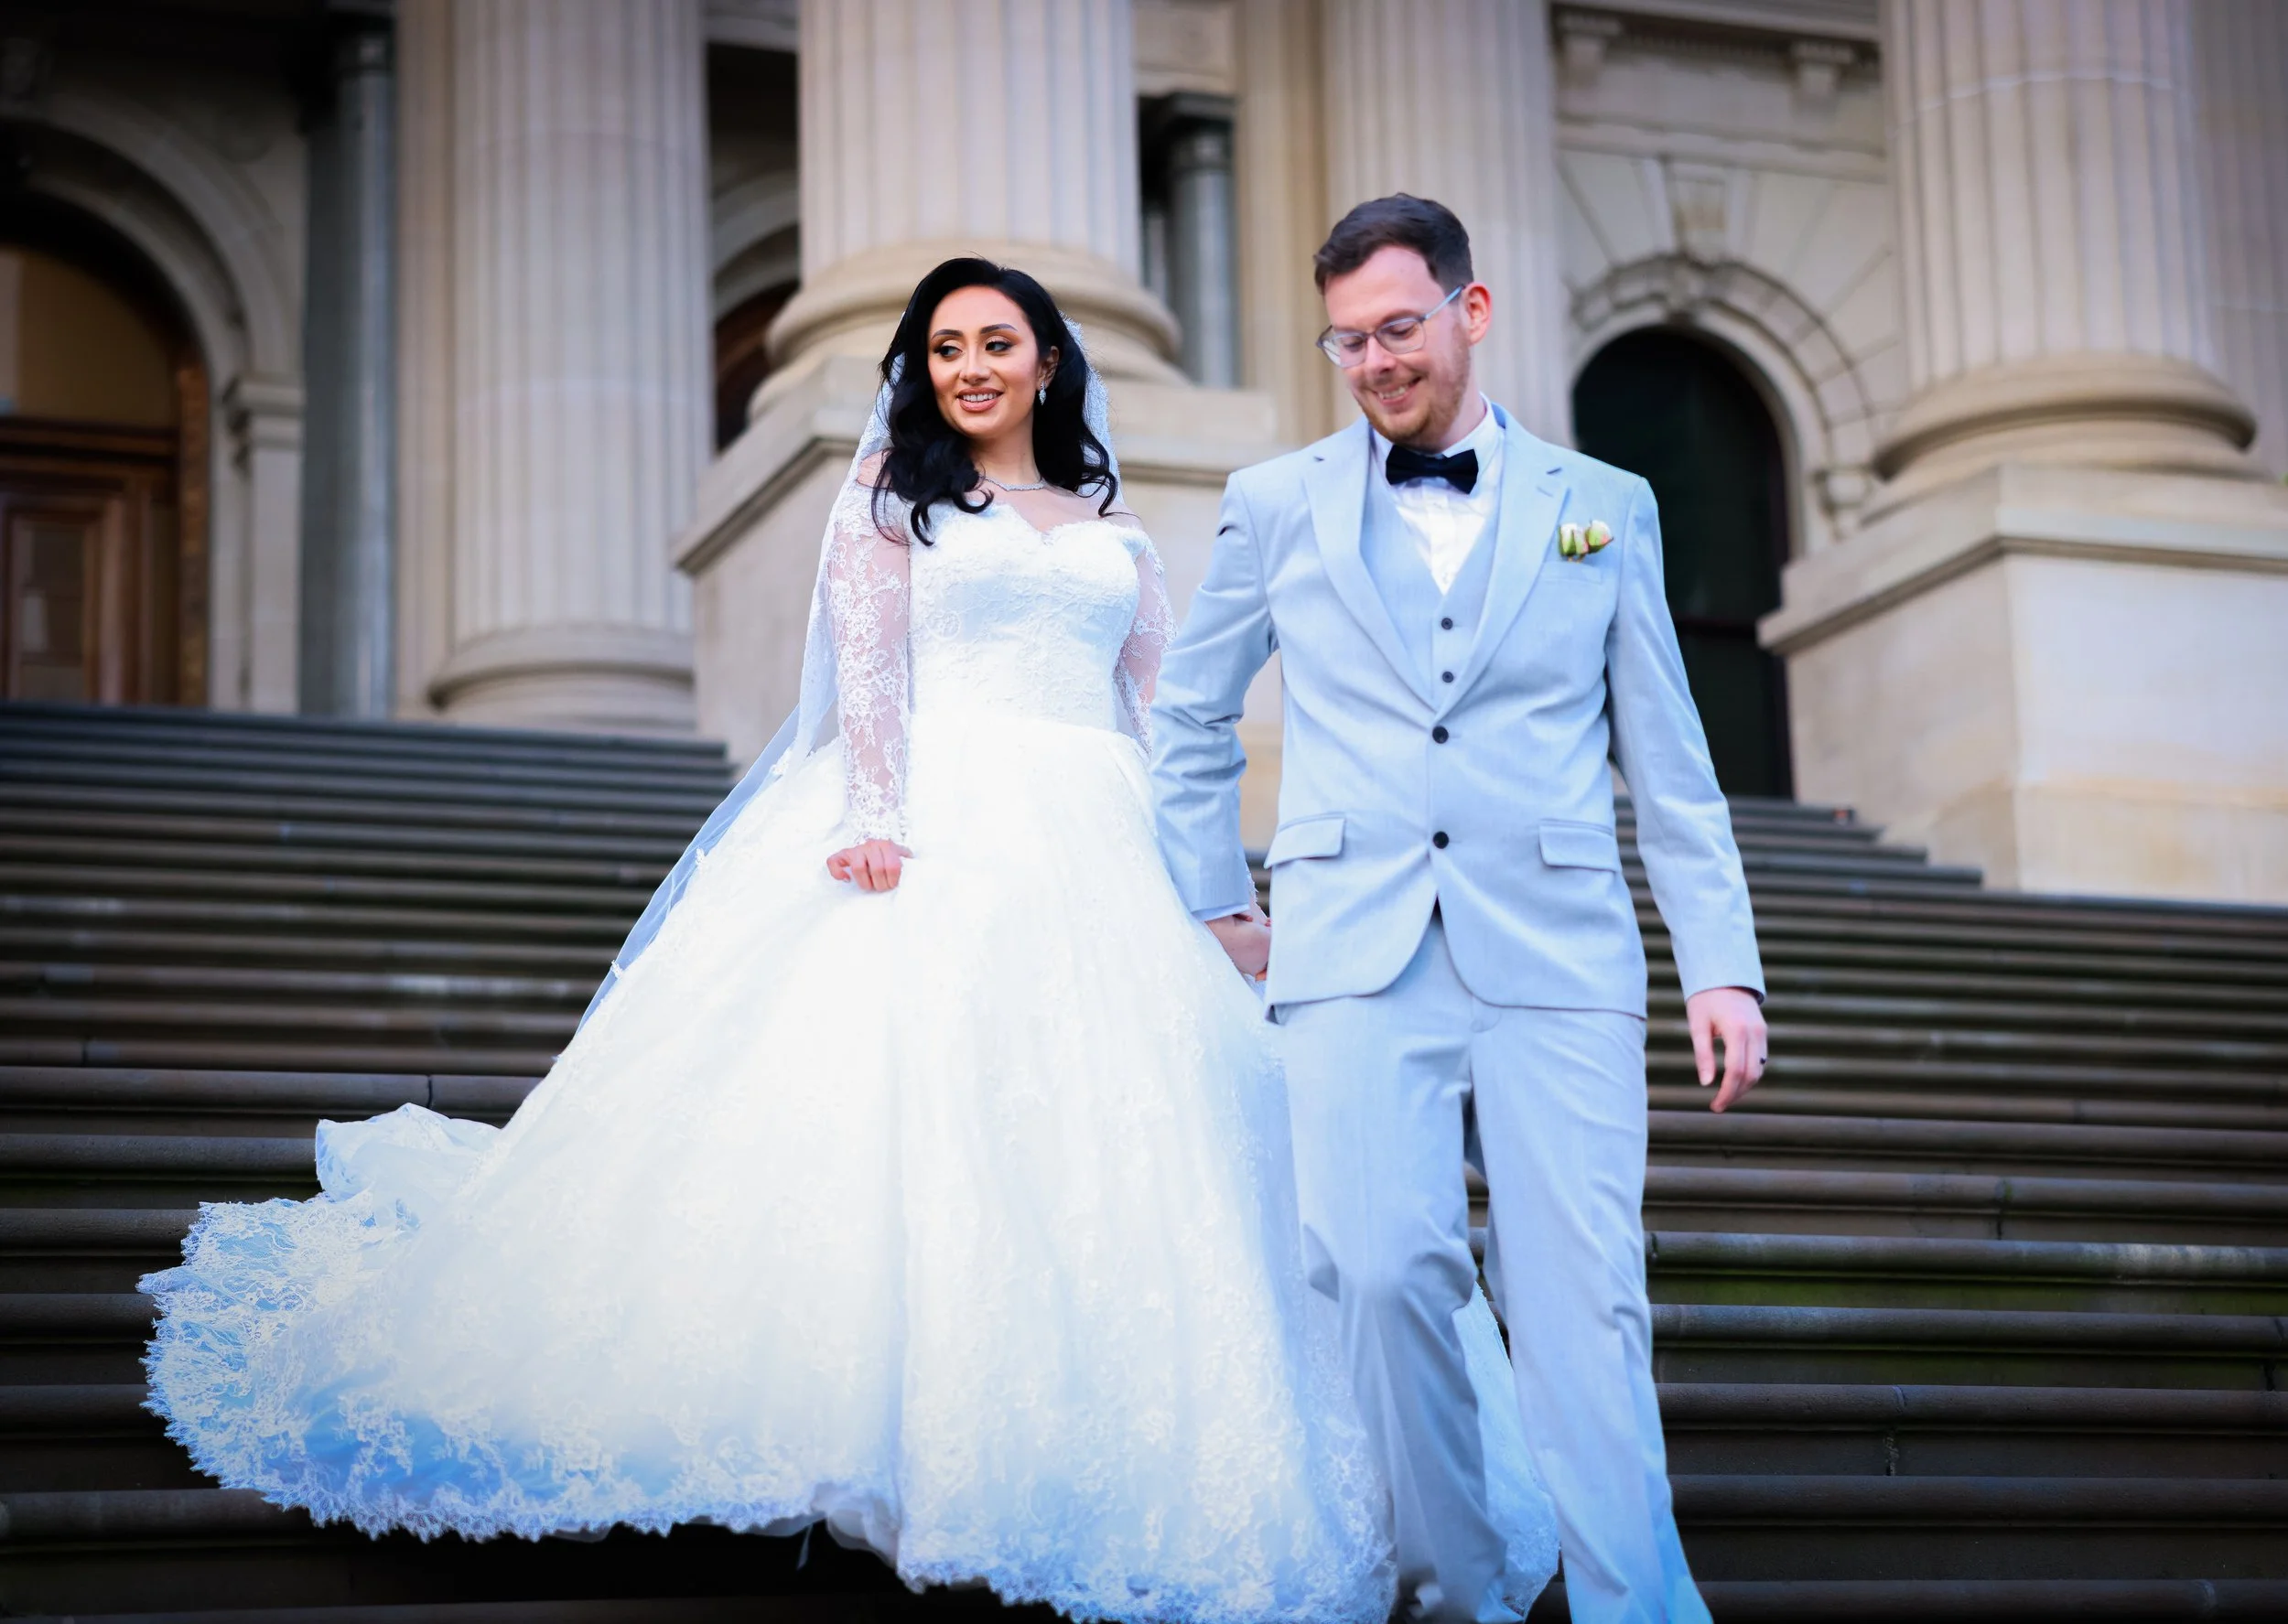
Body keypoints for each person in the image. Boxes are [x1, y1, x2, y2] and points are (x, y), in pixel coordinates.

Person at [141, 256, 1557, 1623]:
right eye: (945, 349)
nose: (970, 368)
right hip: (940, 816)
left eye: (995, 343)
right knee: (917, 1114)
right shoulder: (891, 494)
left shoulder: (1115, 528)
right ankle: (897, 1441)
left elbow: (1162, 719)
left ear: (1046, 360)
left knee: (1142, 1129)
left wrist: (1221, 893)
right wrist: (876, 811)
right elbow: (868, 664)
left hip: (1103, 834)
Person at [1151, 195, 1770, 1624]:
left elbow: (1670, 765)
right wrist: (1216, 899)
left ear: (1471, 312)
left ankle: (1635, 1606)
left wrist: (1720, 967)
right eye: (1347, 339)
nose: (1373, 360)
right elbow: (1188, 717)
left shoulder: (1605, 506)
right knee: (1371, 1272)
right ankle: (1463, 1585)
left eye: (1399, 328)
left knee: (1584, 1305)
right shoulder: (1273, 503)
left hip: (1557, 950)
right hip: (1349, 947)